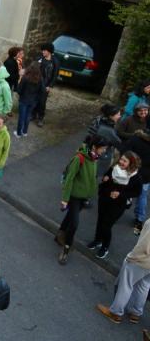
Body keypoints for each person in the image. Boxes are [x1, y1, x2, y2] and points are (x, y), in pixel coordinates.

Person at [56, 134, 109, 265]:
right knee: (74, 224)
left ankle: (59, 235)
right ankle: (66, 250)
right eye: (103, 148)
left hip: (84, 197)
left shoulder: (94, 158)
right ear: (95, 147)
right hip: (74, 196)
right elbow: (69, 178)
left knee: (70, 217)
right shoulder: (79, 158)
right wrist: (65, 198)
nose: (104, 151)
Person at [87, 152, 143, 258]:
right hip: (104, 199)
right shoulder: (114, 168)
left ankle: (105, 247)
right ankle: (97, 240)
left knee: (106, 225)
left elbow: (137, 192)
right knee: (100, 221)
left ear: (131, 164)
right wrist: (105, 179)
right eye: (121, 159)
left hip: (118, 205)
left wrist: (121, 194)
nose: (121, 162)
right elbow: (106, 177)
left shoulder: (135, 177)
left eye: (125, 161)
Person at [97, 220, 150, 325]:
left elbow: (145, 245)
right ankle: (135, 313)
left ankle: (116, 313)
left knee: (126, 284)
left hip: (141, 259)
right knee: (143, 285)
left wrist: (132, 257)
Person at [124, 130, 150, 234]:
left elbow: (126, 152)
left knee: (124, 190)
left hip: (131, 171)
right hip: (146, 177)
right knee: (142, 196)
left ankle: (123, 204)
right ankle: (139, 219)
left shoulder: (136, 139)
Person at [88, 103, 122, 176]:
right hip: (99, 156)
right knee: (91, 175)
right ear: (111, 115)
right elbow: (118, 142)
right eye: (118, 114)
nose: (120, 116)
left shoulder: (99, 120)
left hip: (91, 151)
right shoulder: (107, 129)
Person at [31, 43, 60, 127]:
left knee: (42, 102)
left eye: (44, 50)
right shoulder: (39, 58)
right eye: (42, 50)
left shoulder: (55, 62)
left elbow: (55, 75)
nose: (42, 52)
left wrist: (50, 86)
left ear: (49, 51)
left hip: (46, 85)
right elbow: (34, 69)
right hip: (37, 83)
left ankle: (40, 118)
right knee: (34, 99)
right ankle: (33, 115)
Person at [14, 63, 45, 138]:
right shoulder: (40, 79)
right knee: (28, 116)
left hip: (23, 100)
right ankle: (25, 132)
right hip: (33, 101)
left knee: (21, 117)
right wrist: (36, 99)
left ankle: (18, 133)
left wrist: (20, 78)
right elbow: (42, 90)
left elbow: (19, 90)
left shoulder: (25, 78)